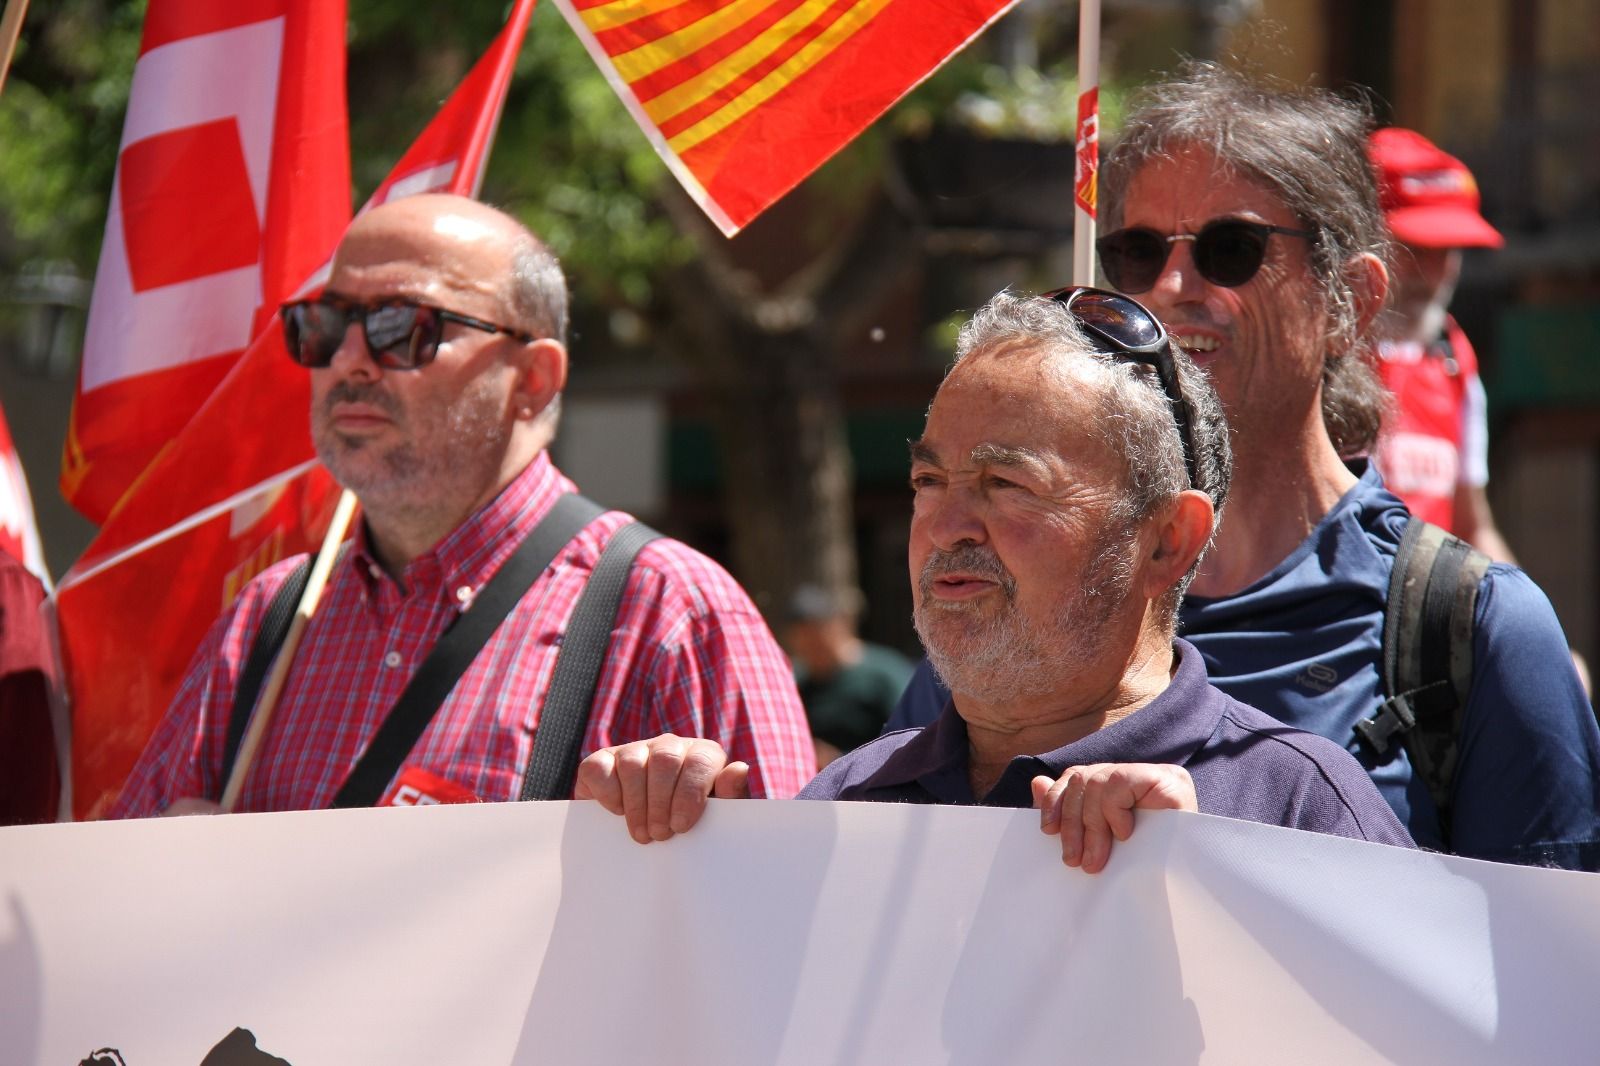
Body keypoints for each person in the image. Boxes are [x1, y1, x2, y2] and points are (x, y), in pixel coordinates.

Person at [892, 63, 1600, 869]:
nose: (1170, 287)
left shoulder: (1471, 630)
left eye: (1232, 250)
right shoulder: (1008, 607)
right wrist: (729, 841)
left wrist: (1228, 857)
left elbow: (1547, 976)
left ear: (1353, 301)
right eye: (1135, 252)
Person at [575, 289, 1414, 873]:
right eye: (929, 482)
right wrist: (649, 854)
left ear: (1166, 539)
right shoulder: (849, 802)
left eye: (1006, 484)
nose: (945, 527)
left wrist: (1220, 890)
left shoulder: (1296, 805)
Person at [111, 194, 815, 816]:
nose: (351, 360)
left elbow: (781, 926)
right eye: (326, 325)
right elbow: (115, 911)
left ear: (532, 379)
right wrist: (167, 873)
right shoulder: (269, 618)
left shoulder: (670, 611)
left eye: (402, 327)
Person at [1367, 126, 1515, 561]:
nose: (1431, 275)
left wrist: (1531, 616)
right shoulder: (1309, 356)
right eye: (1412, 247)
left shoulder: (1452, 356)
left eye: (1448, 248)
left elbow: (1473, 526)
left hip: (1424, 617)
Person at [780, 583, 913, 767]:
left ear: (838, 626)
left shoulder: (883, 676)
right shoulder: (795, 683)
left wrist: (839, 760)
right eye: (803, 643)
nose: (811, 649)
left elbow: (912, 737)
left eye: (816, 638)